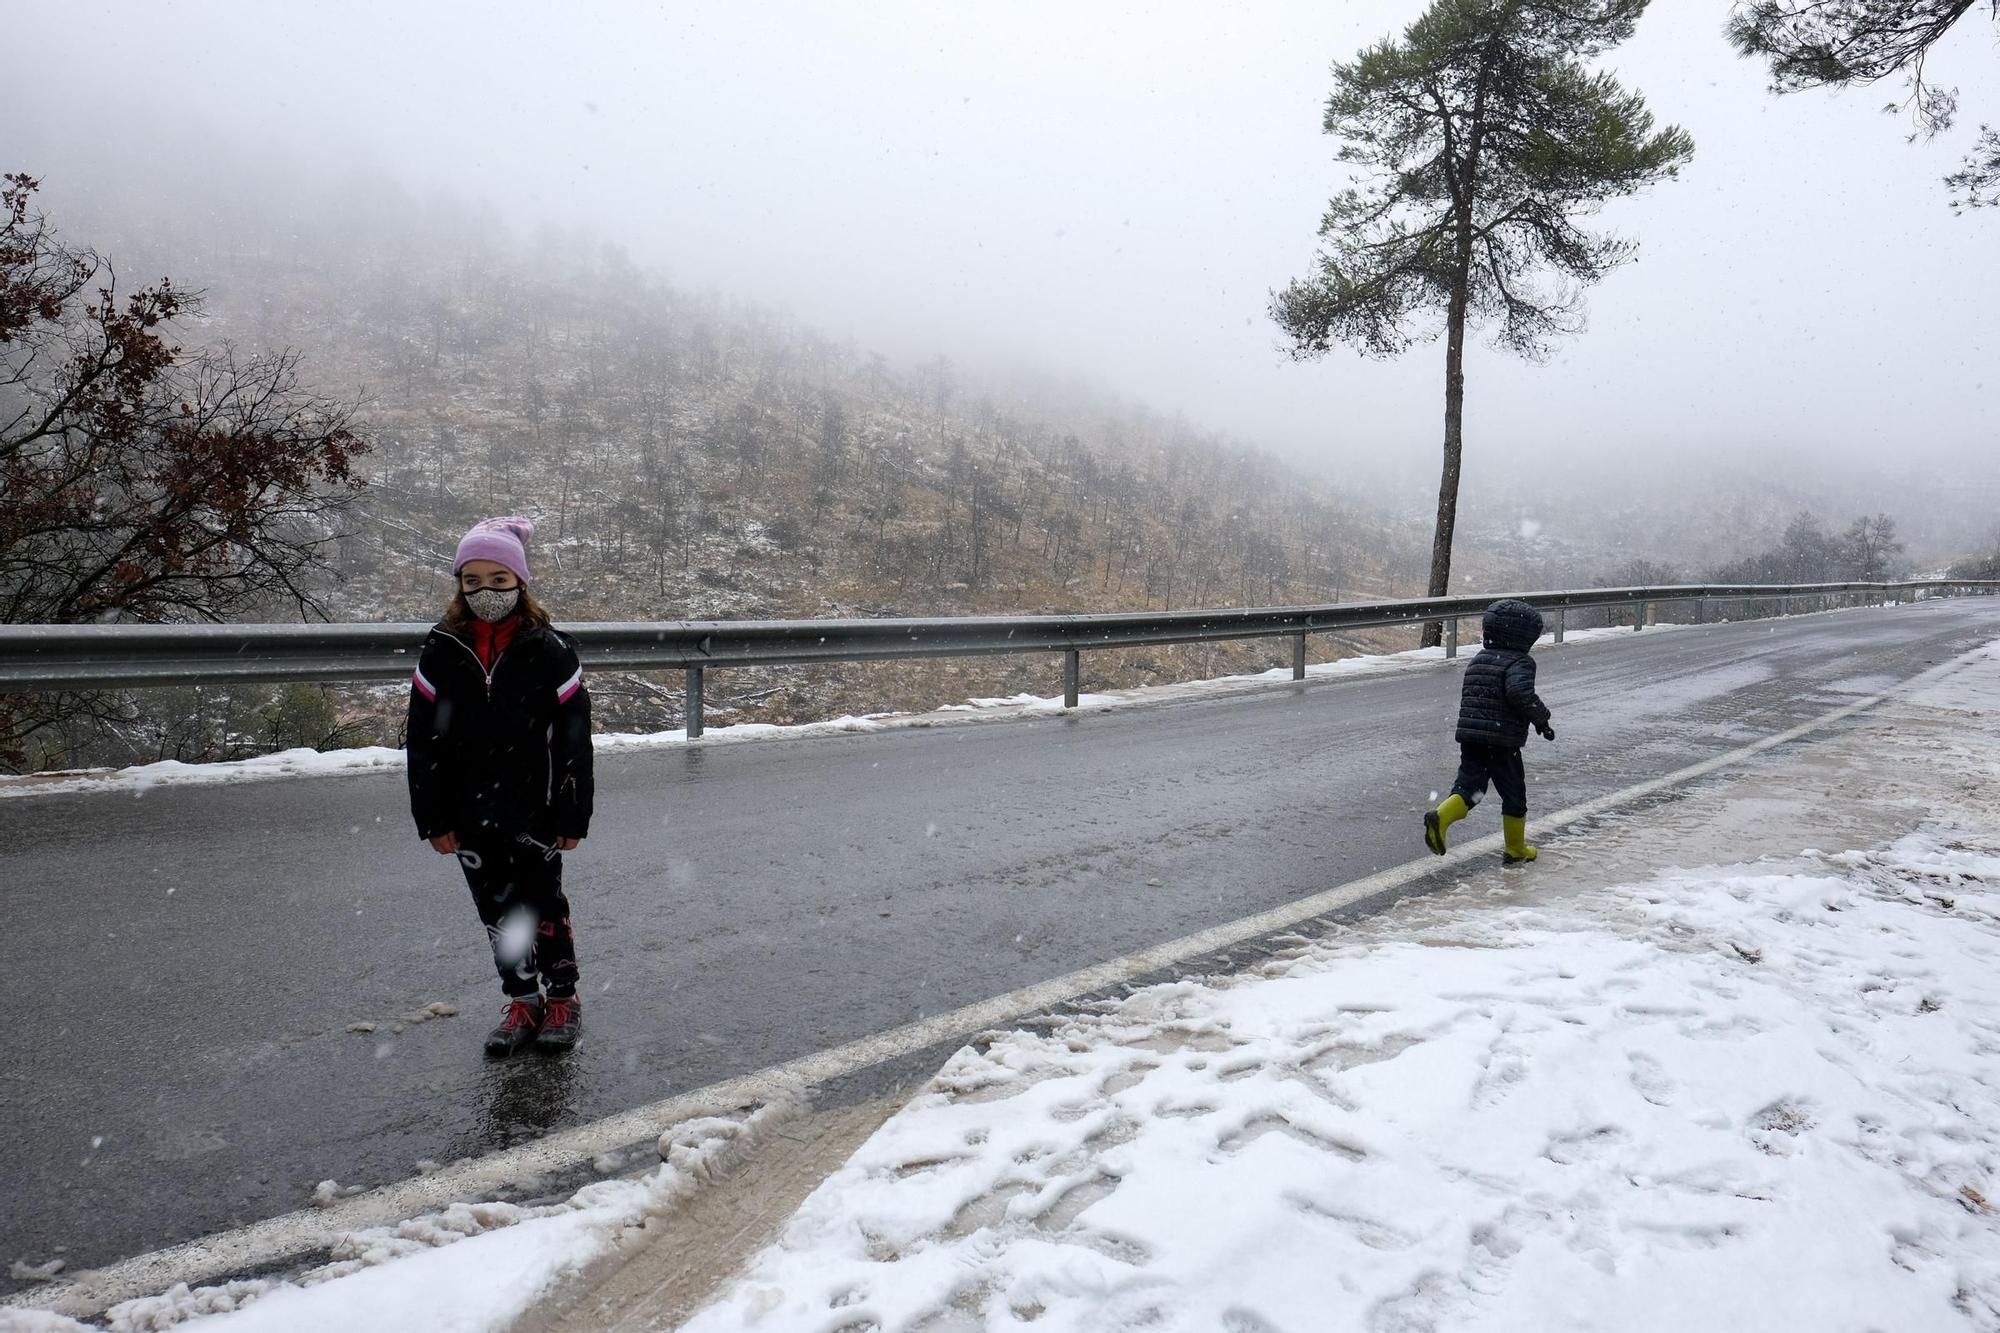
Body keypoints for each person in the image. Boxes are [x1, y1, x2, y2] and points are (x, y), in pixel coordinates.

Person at [406, 517, 594, 1056]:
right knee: (497, 912)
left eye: (498, 579)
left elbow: (574, 740)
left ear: (520, 583)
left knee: (543, 905)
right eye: (472, 581)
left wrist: (571, 813)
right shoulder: (441, 650)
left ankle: (563, 999)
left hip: (534, 809)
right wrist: (433, 818)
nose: (485, 592)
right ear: (459, 586)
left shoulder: (550, 649)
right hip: (468, 814)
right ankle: (522, 1001)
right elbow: (423, 740)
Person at [1423, 599, 1555, 864]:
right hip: (1502, 740)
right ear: (1524, 636)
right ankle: (1515, 848)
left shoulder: (1478, 660)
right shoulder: (1521, 662)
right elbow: (1519, 693)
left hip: (1471, 737)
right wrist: (1542, 719)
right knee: (1514, 793)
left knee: (1471, 786)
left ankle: (1442, 816)